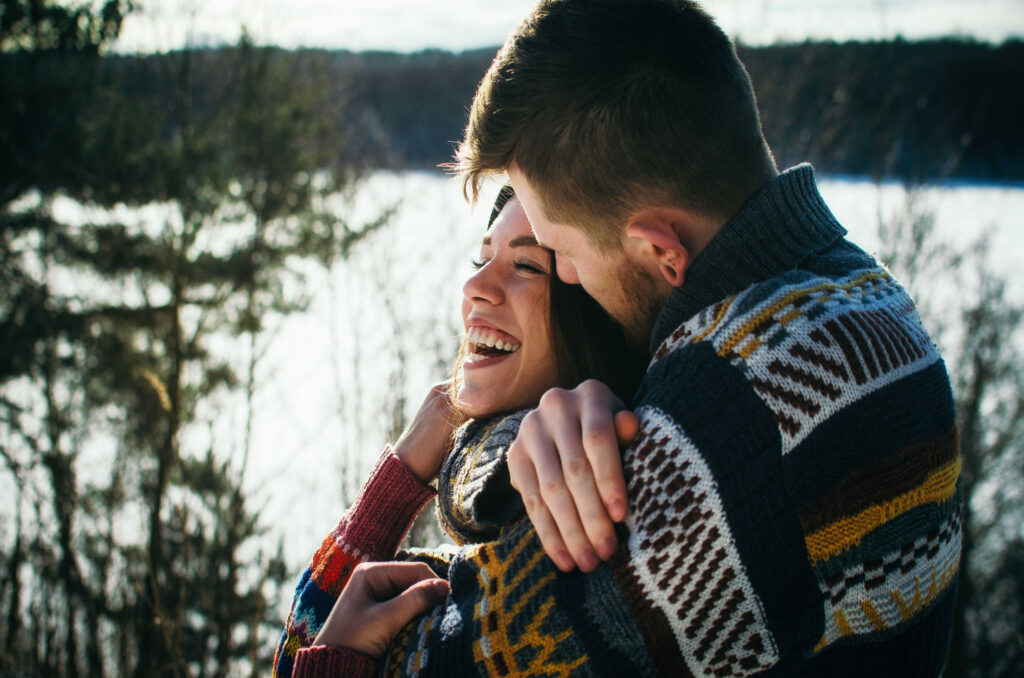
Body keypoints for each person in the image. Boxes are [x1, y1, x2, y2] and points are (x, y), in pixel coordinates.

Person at [453, 0, 961, 676]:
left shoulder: (732, 420)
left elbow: (431, 650)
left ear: (663, 253)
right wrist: (521, 437)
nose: (568, 278)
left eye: (556, 252)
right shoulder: (859, 289)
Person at [271, 186, 645, 677]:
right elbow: (305, 648)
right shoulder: (469, 557)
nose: (475, 287)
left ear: (594, 311)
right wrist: (393, 486)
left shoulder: (561, 534)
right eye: (480, 259)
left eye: (527, 266)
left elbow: (297, 658)